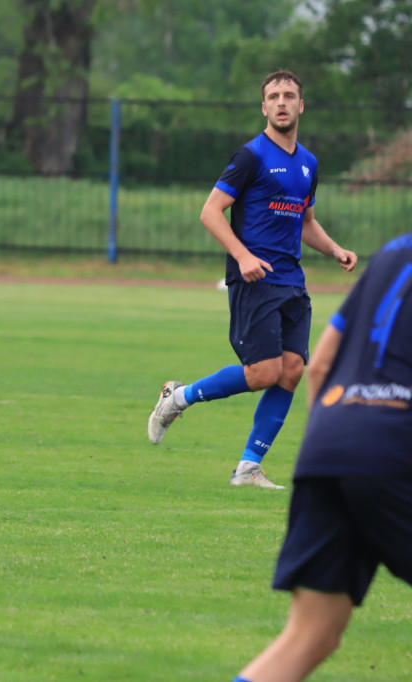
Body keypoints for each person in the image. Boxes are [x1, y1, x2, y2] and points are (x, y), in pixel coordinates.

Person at [147, 69, 358, 489]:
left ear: (301, 105)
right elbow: (210, 211)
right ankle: (179, 397)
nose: (282, 102)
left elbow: (306, 221)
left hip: (292, 282)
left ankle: (248, 467)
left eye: (289, 95)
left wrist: (334, 249)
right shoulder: (251, 156)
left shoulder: (309, 163)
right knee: (263, 373)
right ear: (264, 107)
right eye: (274, 96)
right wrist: (242, 256)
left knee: (292, 371)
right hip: (255, 280)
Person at [232, 232, 412, 682]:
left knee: (310, 636)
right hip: (392, 447)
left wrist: (340, 440)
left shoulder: (395, 251)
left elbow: (321, 362)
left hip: (329, 444)